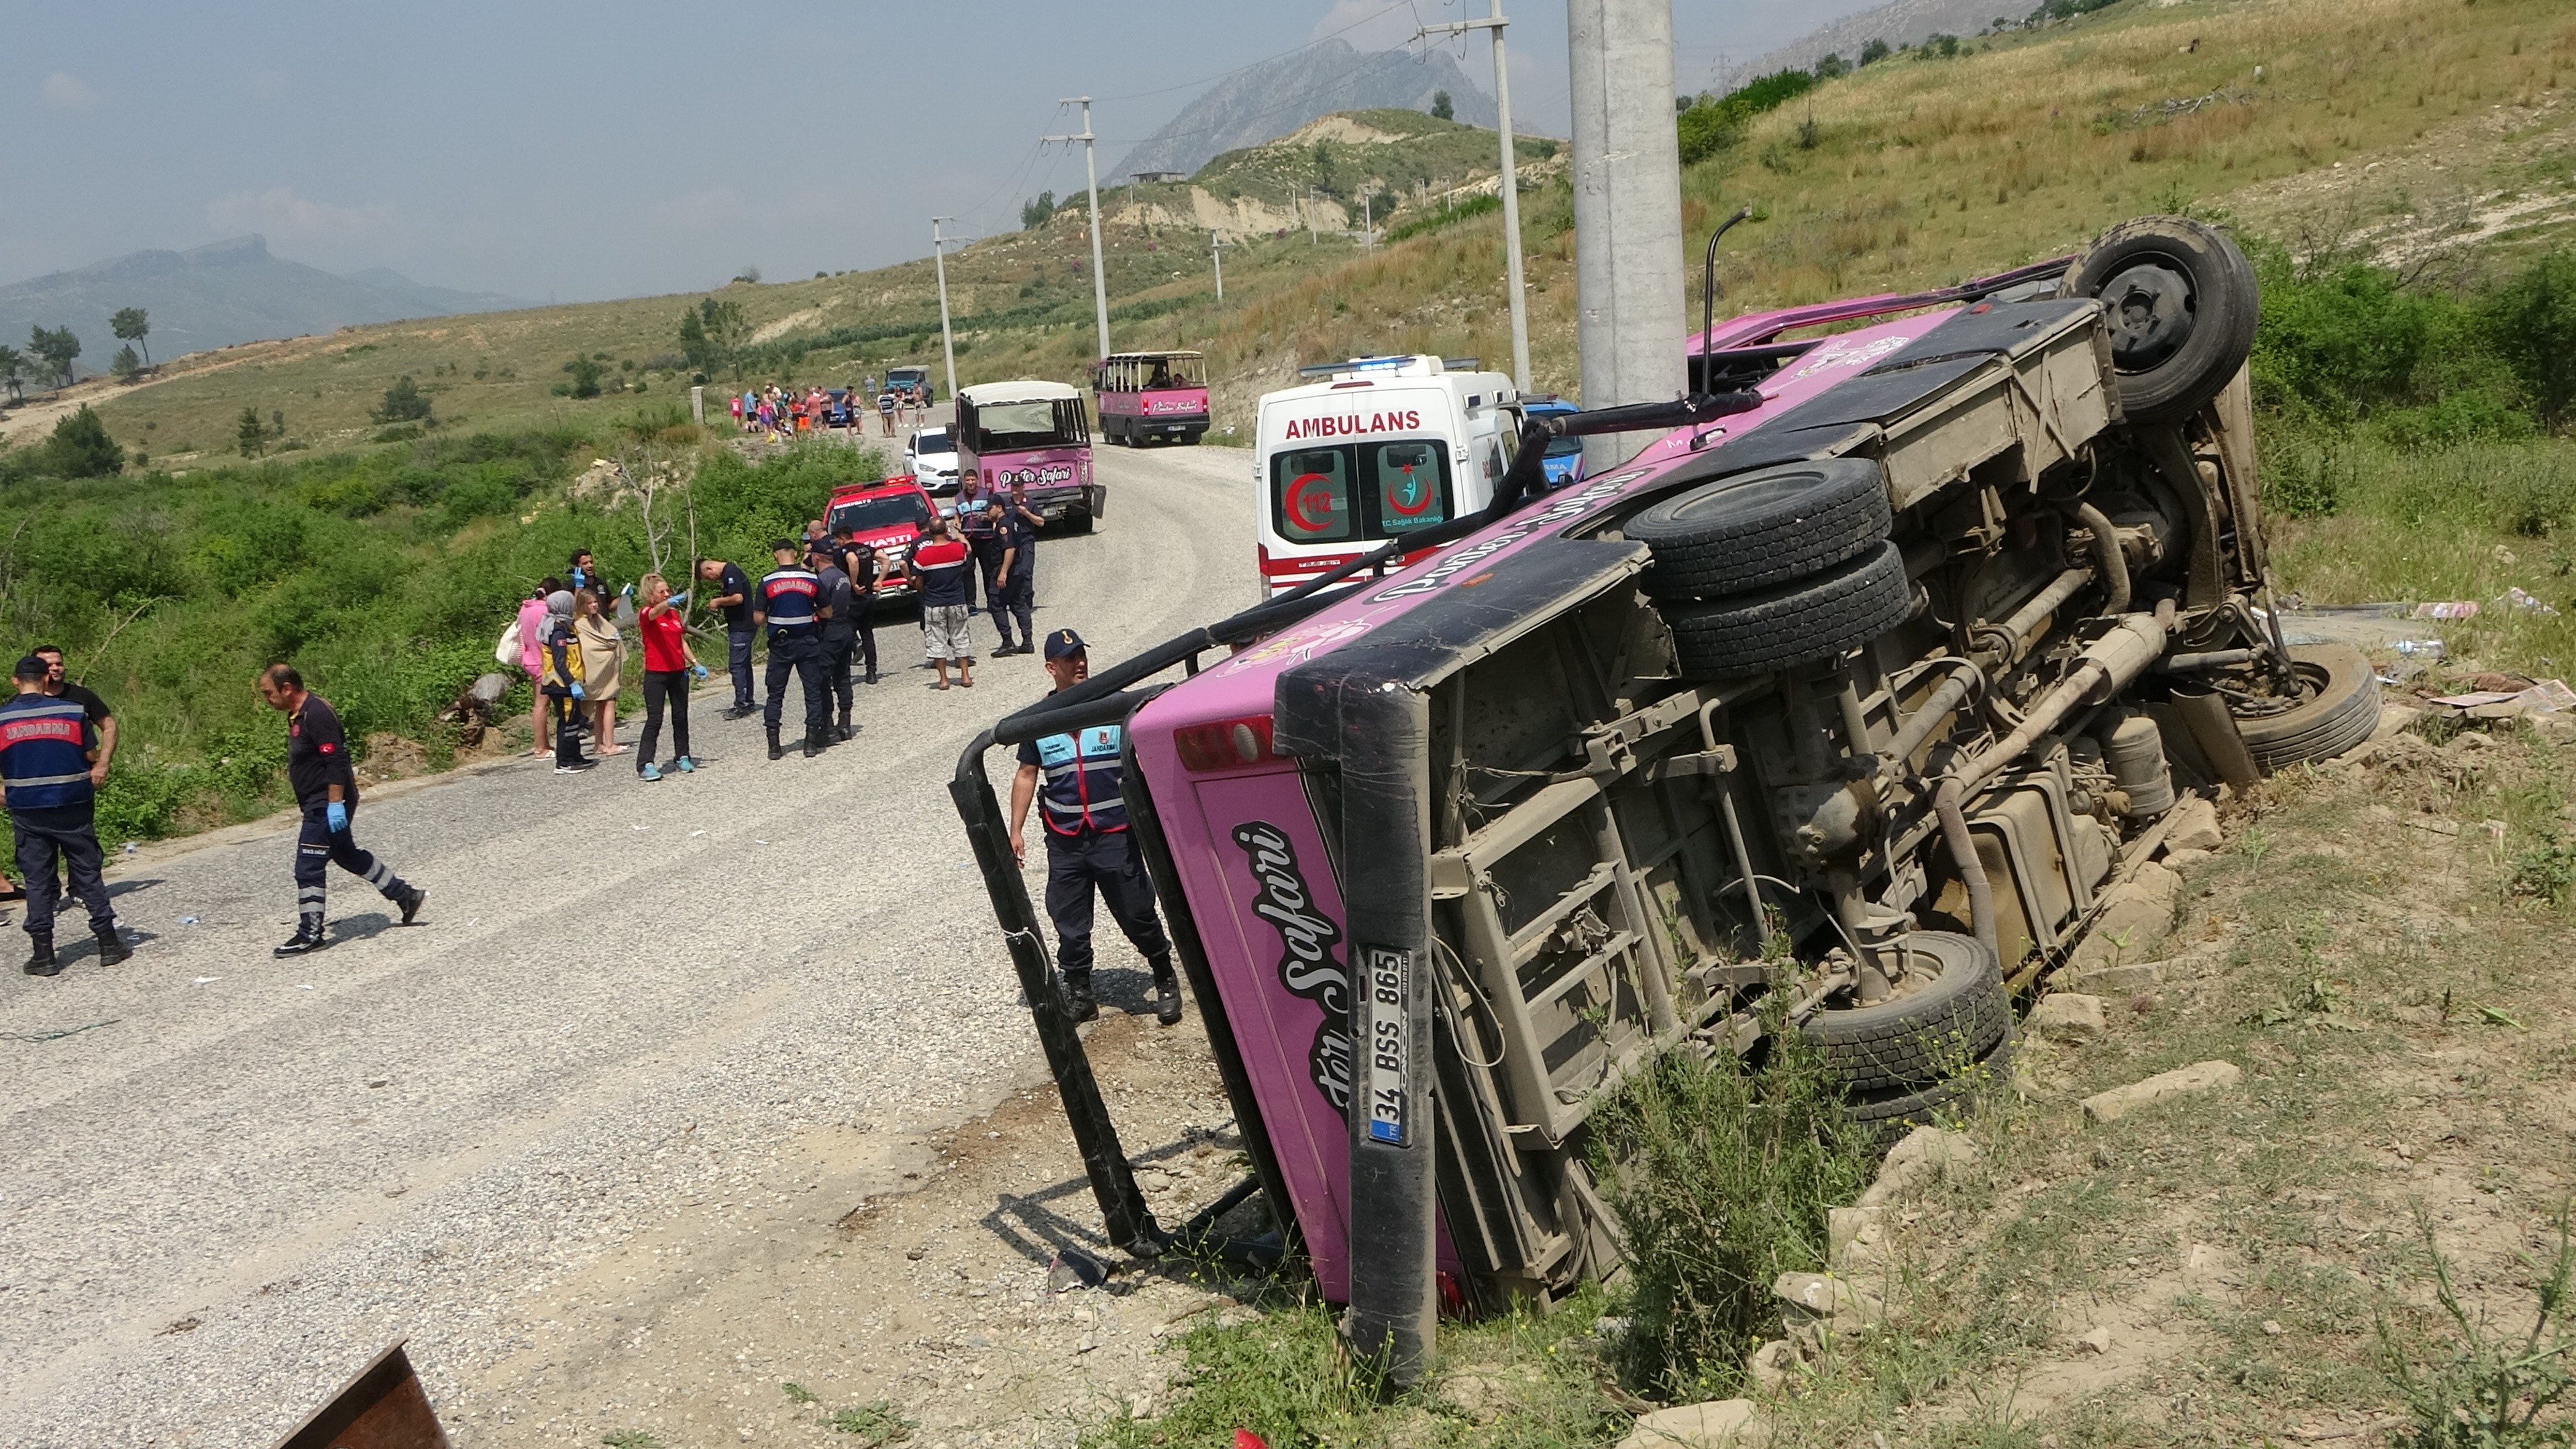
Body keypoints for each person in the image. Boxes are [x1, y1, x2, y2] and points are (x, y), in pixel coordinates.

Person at [1007, 630, 1180, 1026]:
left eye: (1082, 654)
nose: (1080, 663)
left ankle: (1164, 974)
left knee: (1137, 910)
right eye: (1070, 659)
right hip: (1066, 838)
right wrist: (1015, 831)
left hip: (1114, 833)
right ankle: (1080, 990)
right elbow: (1026, 773)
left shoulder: (1112, 710)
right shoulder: (1040, 720)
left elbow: (1144, 760)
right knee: (1068, 918)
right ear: (1052, 669)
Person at [257, 663, 425, 956]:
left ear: (287, 688)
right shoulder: (300, 713)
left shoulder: (317, 713)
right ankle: (405, 895)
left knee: (308, 867)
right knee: (346, 854)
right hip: (320, 802)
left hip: (326, 804)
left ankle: (310, 933)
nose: (266, 699)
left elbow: (335, 761)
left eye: (268, 693)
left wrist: (335, 805)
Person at [2, 654, 126, 975]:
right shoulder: (72, 712)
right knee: (87, 874)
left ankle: (44, 955)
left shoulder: (2, 719)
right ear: (46, 679)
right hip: (73, 805)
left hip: (27, 810)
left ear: (15, 681)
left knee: (38, 881)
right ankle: (108, 944)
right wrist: (97, 764)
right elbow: (89, 754)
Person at [754, 538, 832, 759]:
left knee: (775, 694)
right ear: (796, 554)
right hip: (808, 641)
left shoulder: (767, 581)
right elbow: (828, 613)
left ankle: (774, 745)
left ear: (774, 555)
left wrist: (776, 618)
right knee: (813, 692)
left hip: (780, 644)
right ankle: (810, 743)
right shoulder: (812, 579)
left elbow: (758, 617)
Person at [633, 574, 706, 781]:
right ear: (651, 595)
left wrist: (695, 663)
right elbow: (655, 612)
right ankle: (645, 764)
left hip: (678, 671)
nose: (667, 594)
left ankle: (682, 755)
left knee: (680, 716)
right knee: (655, 718)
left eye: (668, 591)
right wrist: (666, 604)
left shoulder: (673, 614)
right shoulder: (647, 613)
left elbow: (680, 641)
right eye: (662, 592)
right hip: (657, 673)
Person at [907, 514, 975, 690]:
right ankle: (965, 676)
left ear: (930, 532)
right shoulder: (958, 549)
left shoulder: (922, 555)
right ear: (946, 530)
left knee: (936, 640)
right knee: (960, 636)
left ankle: (944, 679)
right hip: (957, 600)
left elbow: (918, 579)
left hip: (934, 602)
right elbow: (965, 564)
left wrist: (925, 591)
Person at [30, 645, 117, 784]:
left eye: (59, 664)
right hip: (34, 783)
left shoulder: (82, 696)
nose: (55, 668)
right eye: (49, 665)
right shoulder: (22, 702)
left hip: (78, 782)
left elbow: (109, 726)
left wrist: (102, 765)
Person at [809, 541, 860, 742]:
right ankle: (845, 723)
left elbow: (818, 608)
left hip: (828, 631)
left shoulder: (821, 580)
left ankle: (828, 726)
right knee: (843, 676)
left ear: (817, 557)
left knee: (823, 679)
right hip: (845, 629)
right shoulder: (843, 576)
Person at [538, 590, 593, 773]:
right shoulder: (557, 630)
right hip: (562, 685)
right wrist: (572, 683)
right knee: (567, 722)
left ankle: (575, 756)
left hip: (570, 683)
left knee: (575, 722)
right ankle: (564, 761)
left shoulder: (566, 625)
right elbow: (559, 662)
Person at [699, 556, 756, 717]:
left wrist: (718, 602)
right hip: (743, 625)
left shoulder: (730, 572)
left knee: (737, 665)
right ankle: (748, 700)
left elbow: (738, 598)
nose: (711, 580)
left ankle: (741, 704)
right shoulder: (729, 572)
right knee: (744, 664)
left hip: (742, 627)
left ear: (709, 569)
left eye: (707, 577)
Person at [573, 588, 624, 755]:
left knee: (604, 705)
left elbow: (612, 635)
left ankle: (599, 744)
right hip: (593, 672)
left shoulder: (599, 620)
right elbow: (589, 647)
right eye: (590, 603)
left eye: (595, 602)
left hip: (607, 671)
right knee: (608, 702)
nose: (594, 605)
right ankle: (610, 744)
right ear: (582, 605)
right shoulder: (580, 624)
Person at [992, 488, 1043, 655]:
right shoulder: (1008, 521)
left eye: (989, 508)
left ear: (998, 507)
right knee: (1019, 604)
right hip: (1018, 569)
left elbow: (1009, 549)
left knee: (997, 604)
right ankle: (1027, 641)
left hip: (1010, 570)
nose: (987, 511)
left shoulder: (1004, 526)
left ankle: (1007, 641)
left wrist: (1003, 572)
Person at [830, 525, 880, 686]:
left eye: (837, 540)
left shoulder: (846, 551)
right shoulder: (865, 548)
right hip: (869, 597)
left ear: (842, 538)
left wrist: (854, 584)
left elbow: (852, 560)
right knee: (867, 634)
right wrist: (880, 580)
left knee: (847, 633)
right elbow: (886, 559)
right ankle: (871, 672)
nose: (837, 543)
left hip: (854, 598)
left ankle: (842, 673)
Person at [515, 582, 559, 757]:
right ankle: (541, 747)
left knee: (539, 704)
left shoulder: (526, 607)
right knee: (542, 705)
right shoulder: (544, 611)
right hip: (543, 661)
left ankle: (543, 744)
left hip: (530, 658)